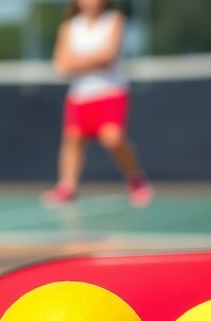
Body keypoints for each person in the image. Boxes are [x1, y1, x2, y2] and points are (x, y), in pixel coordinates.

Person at [42, 0, 153, 208]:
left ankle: (136, 179)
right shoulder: (68, 26)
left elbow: (108, 55)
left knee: (112, 137)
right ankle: (67, 187)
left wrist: (75, 61)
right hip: (79, 95)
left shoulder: (115, 20)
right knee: (73, 139)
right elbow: (60, 64)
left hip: (111, 92)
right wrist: (91, 60)